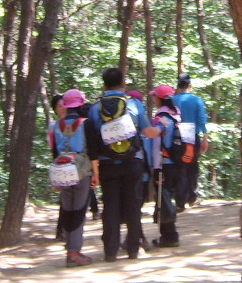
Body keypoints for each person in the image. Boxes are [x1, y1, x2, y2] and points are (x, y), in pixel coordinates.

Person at [86, 68, 160, 261]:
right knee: (133, 205)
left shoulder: (95, 109)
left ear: (104, 85)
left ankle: (110, 251)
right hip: (132, 162)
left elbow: (92, 142)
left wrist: (95, 171)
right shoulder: (134, 105)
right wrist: (162, 128)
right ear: (123, 84)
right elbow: (148, 132)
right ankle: (133, 249)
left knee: (110, 207)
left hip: (106, 164)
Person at [48, 89, 94, 267]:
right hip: (81, 171)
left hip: (62, 170)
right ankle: (75, 252)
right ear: (81, 103)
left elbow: (54, 151)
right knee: (79, 211)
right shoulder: (85, 123)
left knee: (67, 211)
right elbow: (93, 151)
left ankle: (70, 250)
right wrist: (95, 173)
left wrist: (55, 178)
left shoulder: (55, 125)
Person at [147, 84, 187, 247]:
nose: (153, 99)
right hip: (178, 162)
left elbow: (155, 141)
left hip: (164, 164)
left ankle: (169, 236)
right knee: (167, 198)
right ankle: (170, 234)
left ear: (159, 98)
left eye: (154, 96)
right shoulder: (177, 114)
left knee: (163, 199)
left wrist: (154, 167)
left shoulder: (161, 118)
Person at [174, 73, 209, 208]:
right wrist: (205, 138)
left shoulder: (172, 100)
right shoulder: (196, 100)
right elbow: (201, 120)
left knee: (179, 167)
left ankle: (180, 200)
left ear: (178, 86)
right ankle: (192, 197)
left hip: (176, 137)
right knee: (192, 167)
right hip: (192, 137)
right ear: (190, 85)